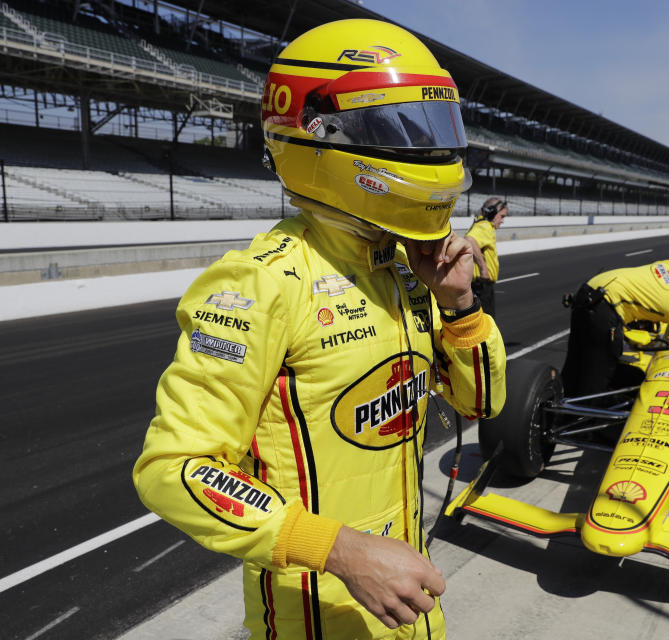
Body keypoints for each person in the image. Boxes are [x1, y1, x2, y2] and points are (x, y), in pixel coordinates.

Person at [132, 19, 506, 639]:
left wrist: (460, 305)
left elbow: (482, 402)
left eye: (435, 131)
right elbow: (172, 468)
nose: (432, 153)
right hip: (318, 617)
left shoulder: (408, 267)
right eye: (400, 130)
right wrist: (343, 552)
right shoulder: (260, 283)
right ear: (318, 134)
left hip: (410, 601)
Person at [561, 261, 669, 398]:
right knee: (600, 373)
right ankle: (585, 423)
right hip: (605, 306)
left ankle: (557, 411)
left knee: (576, 361)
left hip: (588, 290)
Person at [465, 197, 507, 317]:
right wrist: (483, 268)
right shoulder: (485, 226)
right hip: (482, 286)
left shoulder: (481, 225)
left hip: (479, 285)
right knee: (487, 325)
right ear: (492, 213)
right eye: (502, 216)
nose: (503, 221)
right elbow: (469, 240)